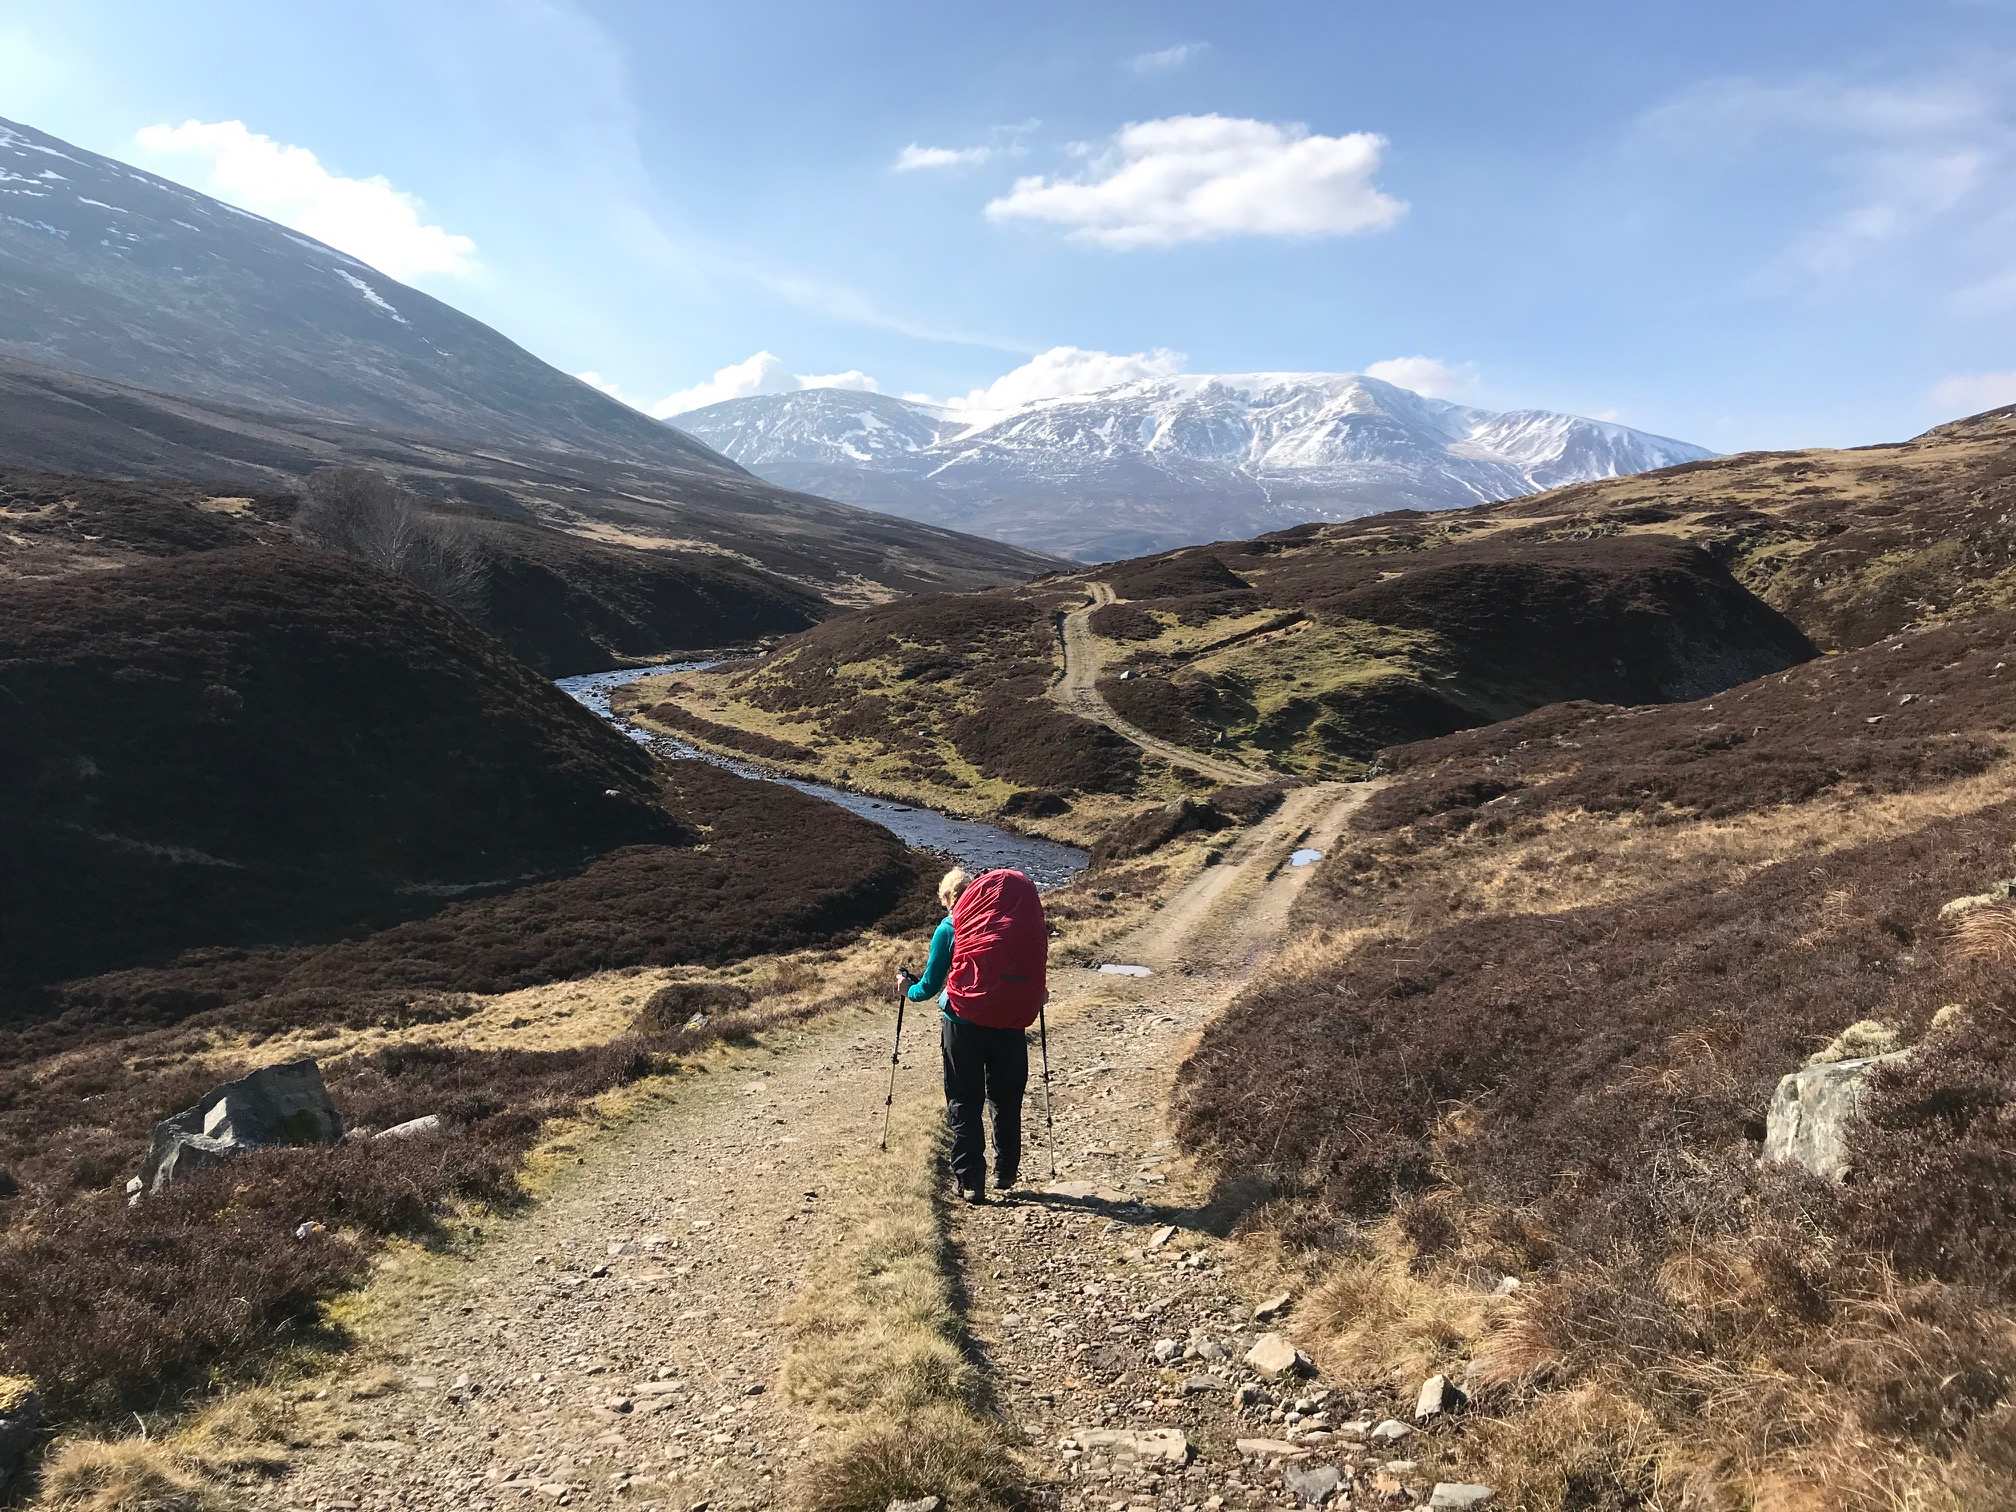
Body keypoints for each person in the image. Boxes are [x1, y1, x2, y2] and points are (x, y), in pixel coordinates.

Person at [898, 865, 1047, 1205]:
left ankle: (970, 1183)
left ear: (950, 898)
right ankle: (1006, 1171)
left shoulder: (950, 926)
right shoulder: (1014, 923)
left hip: (962, 1024)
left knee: (965, 1100)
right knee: (1006, 1097)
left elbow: (930, 986)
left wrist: (908, 989)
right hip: (1010, 1024)